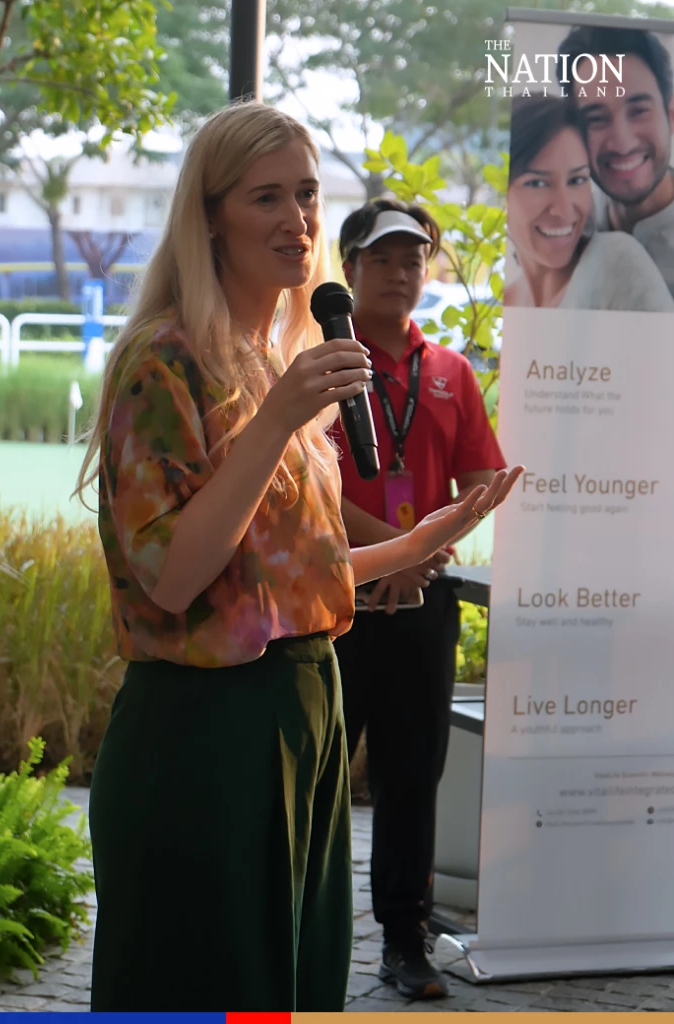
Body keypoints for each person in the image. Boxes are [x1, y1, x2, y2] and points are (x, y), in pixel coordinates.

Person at [74, 103, 521, 1012]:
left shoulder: (271, 357)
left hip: (302, 717)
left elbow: (277, 583)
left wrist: (416, 541)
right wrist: (276, 419)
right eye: (266, 196)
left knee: (291, 990)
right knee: (208, 985)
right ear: (210, 217)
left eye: (308, 194)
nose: (298, 219)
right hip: (204, 734)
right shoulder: (165, 362)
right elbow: (173, 577)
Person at [328, 198, 509, 1001]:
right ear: (350, 269)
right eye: (383, 259)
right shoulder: (322, 361)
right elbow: (308, 486)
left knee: (411, 780)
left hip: (423, 604)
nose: (401, 273)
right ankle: (304, 937)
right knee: (319, 778)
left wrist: (419, 557)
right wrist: (388, 556)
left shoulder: (450, 373)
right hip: (332, 603)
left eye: (414, 259)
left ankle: (406, 942)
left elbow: (478, 483)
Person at [505, 95, 674, 311]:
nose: (564, 210)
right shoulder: (507, 302)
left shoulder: (614, 262)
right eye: (537, 183)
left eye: (577, 180)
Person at [557, 25, 674, 298]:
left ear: (670, 115)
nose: (622, 143)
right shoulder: (562, 227)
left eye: (638, 111)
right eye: (596, 118)